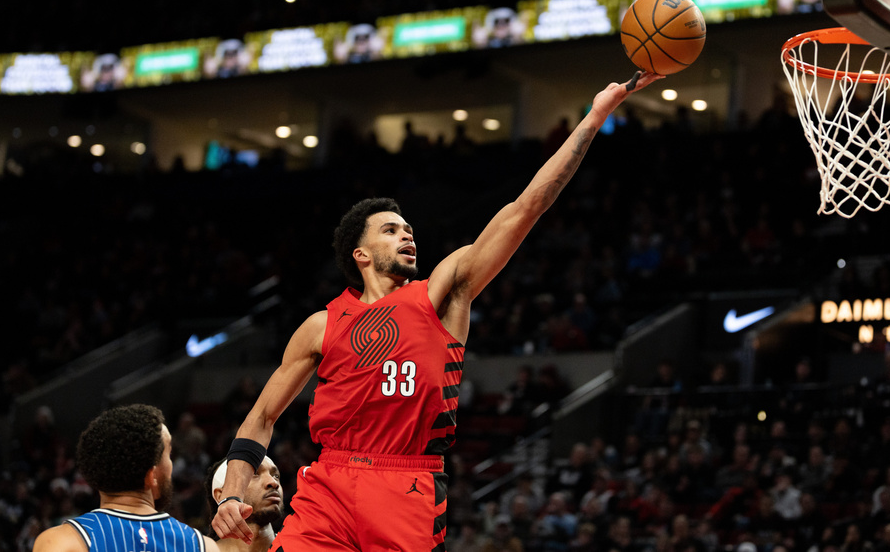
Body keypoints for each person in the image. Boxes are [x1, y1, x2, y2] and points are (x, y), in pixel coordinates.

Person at [211, 71, 663, 550]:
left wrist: (593, 119)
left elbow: (525, 208)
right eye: (389, 230)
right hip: (330, 483)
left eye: (408, 228)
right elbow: (260, 418)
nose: (407, 234)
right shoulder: (320, 326)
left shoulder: (443, 293)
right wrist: (230, 497)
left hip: (407, 484)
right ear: (359, 255)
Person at [33, 403, 219, 552]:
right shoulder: (203, 546)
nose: (171, 466)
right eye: (169, 455)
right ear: (152, 475)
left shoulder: (60, 543)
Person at [204, 457, 283, 552]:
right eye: (254, 474)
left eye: (276, 476)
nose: (273, 482)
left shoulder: (300, 546)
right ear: (221, 496)